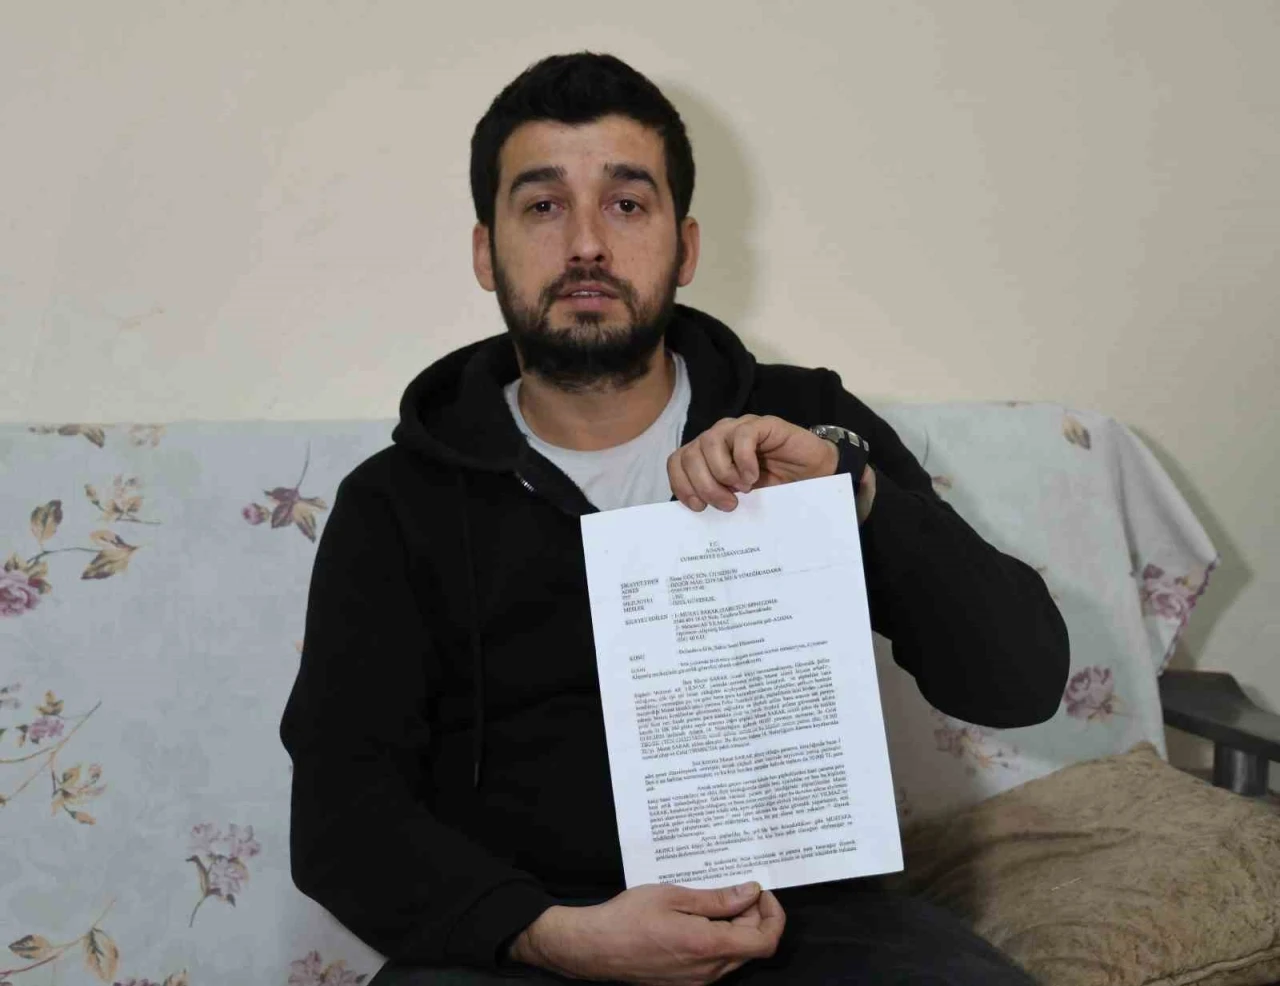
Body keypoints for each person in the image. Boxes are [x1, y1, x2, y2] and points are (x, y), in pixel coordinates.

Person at [280, 52, 1070, 985]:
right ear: (486, 251)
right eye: (543, 206)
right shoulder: (395, 502)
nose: (586, 244)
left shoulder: (807, 422)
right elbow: (341, 818)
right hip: (527, 947)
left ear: (685, 247)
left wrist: (853, 495)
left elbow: (1020, 682)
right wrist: (552, 934)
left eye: (626, 204)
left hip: (807, 932)